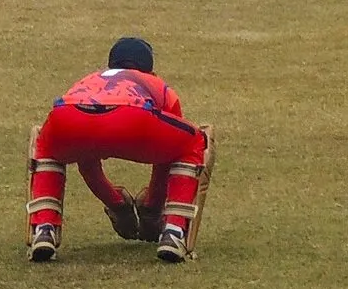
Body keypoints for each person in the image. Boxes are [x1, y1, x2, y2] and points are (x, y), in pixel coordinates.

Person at [28, 37, 212, 263]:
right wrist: (153, 206)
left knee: (46, 148)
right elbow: (168, 157)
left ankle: (44, 228)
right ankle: (174, 231)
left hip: (68, 114)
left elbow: (86, 157)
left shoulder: (90, 79)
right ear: (150, 70)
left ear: (109, 66)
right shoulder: (155, 83)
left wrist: (115, 202)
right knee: (192, 143)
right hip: (132, 116)